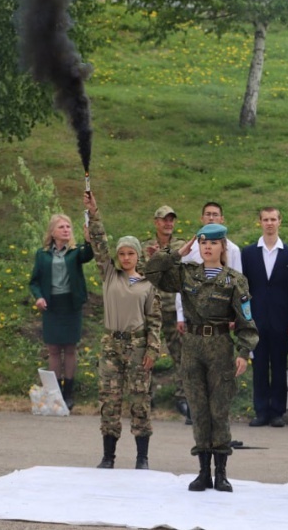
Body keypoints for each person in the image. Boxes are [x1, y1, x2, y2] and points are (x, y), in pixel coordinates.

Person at [144, 223, 259, 493]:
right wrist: (176, 253)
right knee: (198, 409)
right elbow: (152, 272)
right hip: (192, 347)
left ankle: (221, 473)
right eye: (203, 243)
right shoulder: (186, 273)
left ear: (223, 247)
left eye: (213, 243)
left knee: (219, 409)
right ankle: (202, 472)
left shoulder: (234, 280)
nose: (207, 247)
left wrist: (243, 352)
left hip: (220, 346)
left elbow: (246, 320)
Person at [84, 191, 162, 470]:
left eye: (131, 253)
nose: (126, 257)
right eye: (122, 253)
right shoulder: (109, 275)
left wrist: (153, 349)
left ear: (138, 255)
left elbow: (155, 321)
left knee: (140, 401)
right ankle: (108, 456)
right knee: (109, 402)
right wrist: (94, 213)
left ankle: (142, 457)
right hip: (111, 348)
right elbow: (99, 244)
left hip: (138, 348)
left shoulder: (148, 285)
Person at [240, 207, 288, 429]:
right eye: (265, 219)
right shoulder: (248, 253)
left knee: (278, 366)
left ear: (280, 222)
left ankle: (277, 412)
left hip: (281, 320)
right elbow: (244, 289)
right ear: (260, 222)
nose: (269, 223)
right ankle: (261, 410)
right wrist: (244, 320)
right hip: (255, 320)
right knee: (258, 366)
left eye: (273, 219)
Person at [29, 209, 94, 411]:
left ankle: (69, 393)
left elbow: (88, 255)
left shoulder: (75, 252)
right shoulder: (42, 255)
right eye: (61, 227)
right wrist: (38, 297)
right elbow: (34, 281)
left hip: (71, 304)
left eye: (68, 227)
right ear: (53, 232)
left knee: (70, 348)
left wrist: (89, 240)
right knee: (54, 349)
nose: (66, 230)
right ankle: (55, 393)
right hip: (52, 305)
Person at [140, 204, 188, 421]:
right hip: (151, 308)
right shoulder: (144, 247)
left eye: (171, 219)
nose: (168, 223)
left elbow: (181, 271)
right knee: (147, 353)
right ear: (156, 222)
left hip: (172, 307)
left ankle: (182, 395)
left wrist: (161, 258)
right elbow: (141, 273)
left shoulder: (182, 246)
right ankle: (145, 394)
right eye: (164, 219)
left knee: (181, 353)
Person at [181, 202, 242, 271]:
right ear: (202, 218)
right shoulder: (191, 248)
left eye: (215, 215)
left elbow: (238, 276)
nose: (211, 218)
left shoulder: (233, 249)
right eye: (208, 214)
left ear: (222, 219)